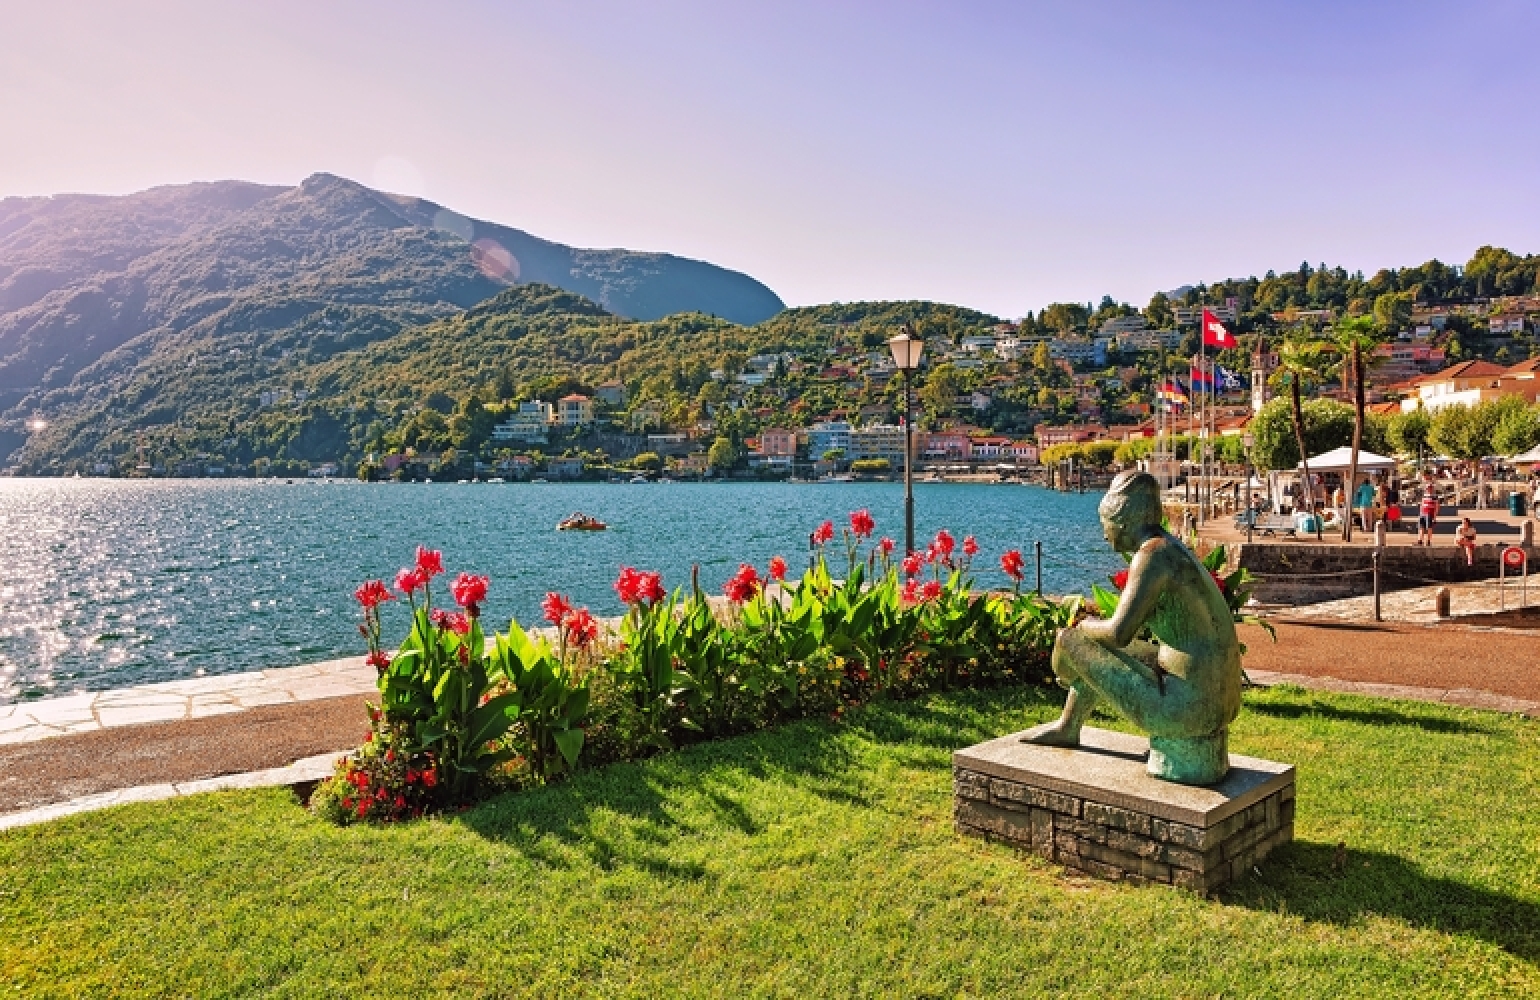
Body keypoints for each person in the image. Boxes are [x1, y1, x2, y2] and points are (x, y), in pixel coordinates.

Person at [1025, 471, 1243, 785]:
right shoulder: (1171, 547)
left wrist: (1082, 628)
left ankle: (1067, 716)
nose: (1104, 535)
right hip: (1218, 699)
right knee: (1088, 645)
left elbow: (1117, 634)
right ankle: (1067, 727)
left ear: (1123, 522)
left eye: (1105, 526)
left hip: (1186, 708)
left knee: (1073, 638)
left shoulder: (1151, 556)